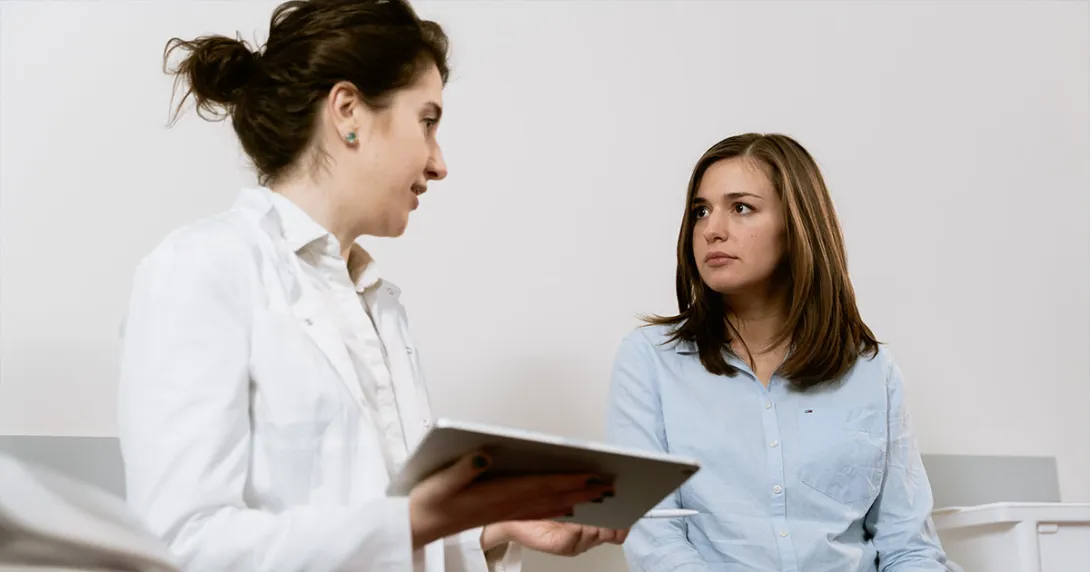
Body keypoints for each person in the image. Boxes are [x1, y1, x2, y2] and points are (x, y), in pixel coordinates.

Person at [116, 1, 625, 570]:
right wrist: (419, 518)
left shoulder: (376, 303)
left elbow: (381, 529)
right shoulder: (202, 269)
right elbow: (181, 546)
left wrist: (489, 525)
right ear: (349, 111)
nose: (439, 163)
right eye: (427, 122)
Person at [604, 133, 959, 571]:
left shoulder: (871, 371)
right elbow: (654, 540)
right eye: (701, 211)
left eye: (741, 208)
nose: (712, 229)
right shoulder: (648, 361)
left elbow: (909, 547)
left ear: (795, 227)